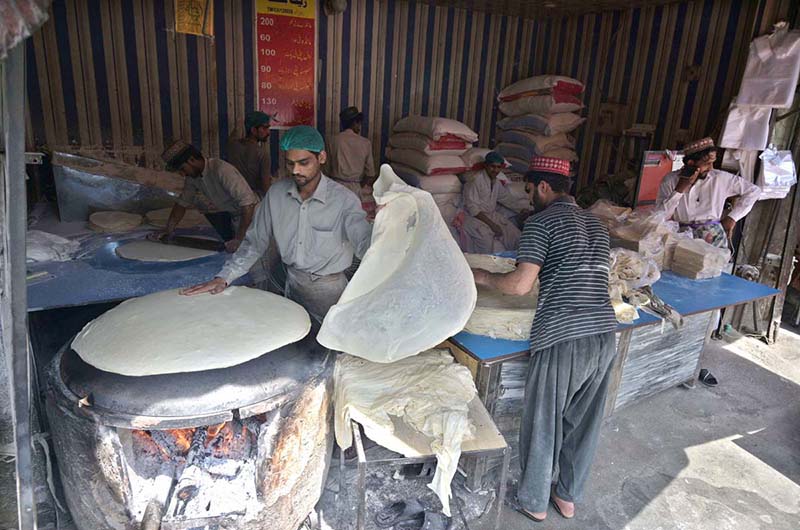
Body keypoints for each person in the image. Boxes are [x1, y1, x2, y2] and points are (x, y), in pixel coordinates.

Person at [471, 156, 617, 522]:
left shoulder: (541, 222)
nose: (528, 197)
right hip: (603, 333)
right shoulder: (598, 226)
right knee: (583, 423)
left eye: (529, 189)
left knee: (544, 422)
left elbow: (519, 286)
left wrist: (484, 277)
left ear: (543, 187)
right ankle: (567, 497)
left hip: (563, 335)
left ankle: (534, 501)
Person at [182, 125, 372, 324]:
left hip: (329, 294)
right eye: (290, 164)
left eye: (303, 163)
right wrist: (224, 277)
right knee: (294, 339)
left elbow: (365, 244)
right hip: (292, 286)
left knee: (329, 348)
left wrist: (390, 225)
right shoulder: (276, 195)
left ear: (321, 157)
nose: (296, 171)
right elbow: (254, 243)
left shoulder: (344, 200)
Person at [656, 137, 760, 248]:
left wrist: (732, 218)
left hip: (714, 238)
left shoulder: (719, 178)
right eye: (707, 163)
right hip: (682, 237)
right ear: (691, 163)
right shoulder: (670, 180)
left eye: (712, 163)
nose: (711, 168)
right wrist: (679, 189)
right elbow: (660, 216)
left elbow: (754, 191)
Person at [160, 140, 258, 253]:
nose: (182, 174)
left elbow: (248, 204)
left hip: (253, 218)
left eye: (182, 169)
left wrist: (239, 239)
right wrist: (168, 230)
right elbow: (182, 203)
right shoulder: (193, 178)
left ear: (191, 160)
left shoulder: (221, 170)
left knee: (254, 258)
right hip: (237, 217)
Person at [461, 151, 530, 253]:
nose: (496, 170)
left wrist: (521, 209)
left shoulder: (496, 182)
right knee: (486, 241)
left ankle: (515, 263)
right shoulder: (475, 180)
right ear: (486, 165)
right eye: (492, 167)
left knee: (515, 235)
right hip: (474, 218)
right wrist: (492, 225)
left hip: (491, 215)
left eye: (498, 167)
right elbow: (473, 209)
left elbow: (506, 198)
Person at [327, 106, 376, 196]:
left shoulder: (332, 140)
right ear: (354, 123)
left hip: (335, 187)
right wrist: (359, 186)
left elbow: (326, 169)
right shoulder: (366, 143)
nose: (359, 126)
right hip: (355, 189)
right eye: (359, 123)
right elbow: (370, 174)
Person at [226, 111, 273, 196]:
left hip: (234, 196)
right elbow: (265, 185)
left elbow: (235, 133)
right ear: (253, 130)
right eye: (265, 128)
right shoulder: (262, 154)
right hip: (253, 198)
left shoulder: (232, 145)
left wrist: (240, 124)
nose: (268, 132)